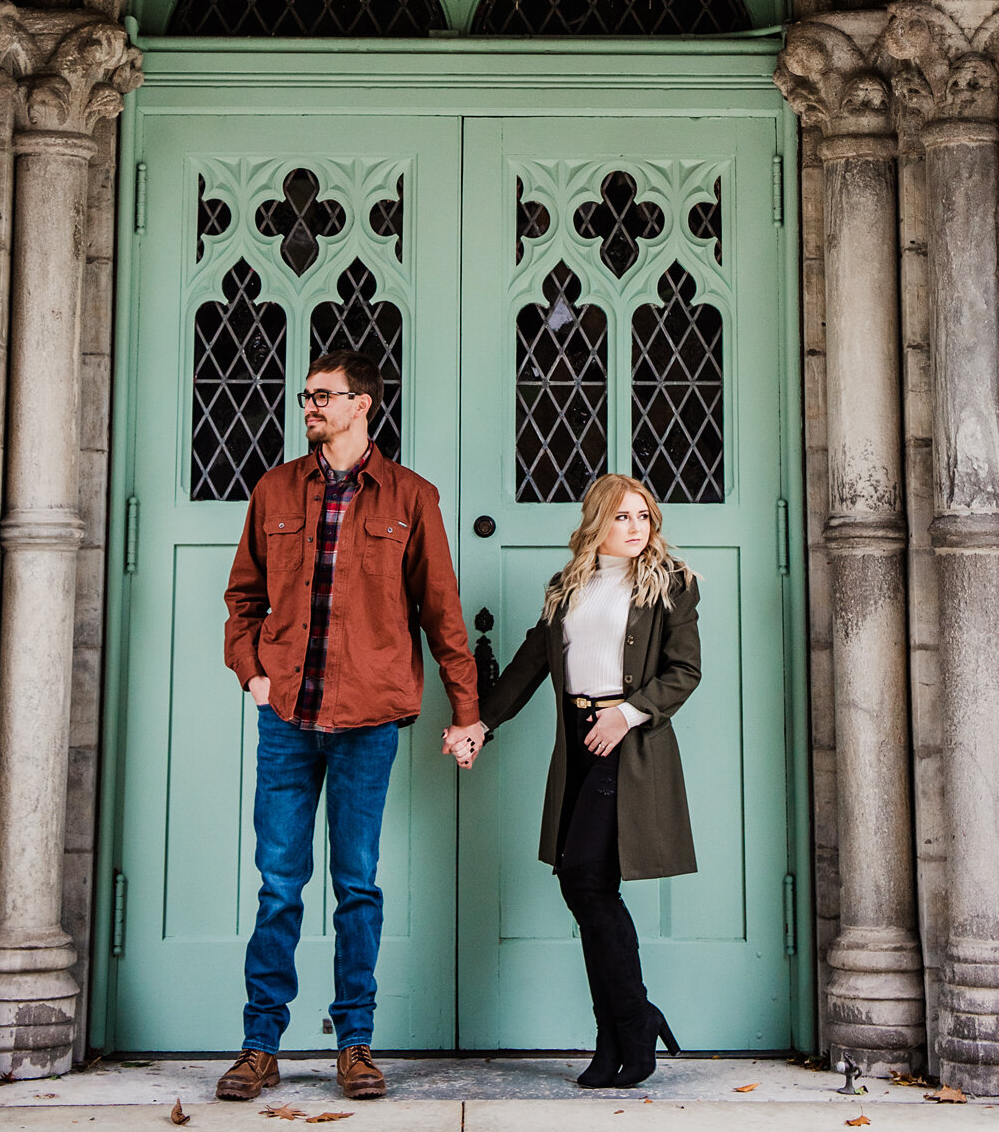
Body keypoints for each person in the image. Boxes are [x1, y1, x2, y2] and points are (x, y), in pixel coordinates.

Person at [218, 348, 484, 1103]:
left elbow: (442, 615)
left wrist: (466, 713)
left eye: (325, 396)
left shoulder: (410, 497)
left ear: (363, 405)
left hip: (369, 717)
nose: (310, 407)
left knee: (355, 884)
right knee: (278, 884)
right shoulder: (274, 491)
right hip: (287, 718)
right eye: (306, 396)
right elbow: (242, 600)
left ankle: (355, 1045)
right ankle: (258, 1045)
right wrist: (255, 673)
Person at [447, 473, 700, 1089]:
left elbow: (684, 670)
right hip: (580, 743)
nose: (637, 528)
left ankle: (630, 1026)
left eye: (644, 516)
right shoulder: (568, 587)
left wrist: (628, 713)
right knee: (588, 883)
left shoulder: (672, 585)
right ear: (596, 523)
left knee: (586, 879)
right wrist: (480, 724)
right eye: (622, 517)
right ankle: (620, 1030)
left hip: (628, 741)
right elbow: (531, 664)